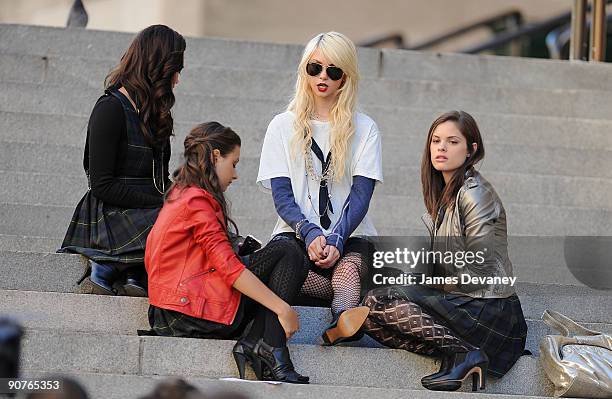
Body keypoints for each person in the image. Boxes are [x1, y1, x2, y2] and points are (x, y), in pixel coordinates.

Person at [361, 111, 528, 392]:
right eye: (436, 141)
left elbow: (480, 266)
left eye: (452, 142)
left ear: (471, 150)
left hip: (489, 309)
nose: (441, 147)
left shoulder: (475, 193)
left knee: (379, 300)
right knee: (368, 317)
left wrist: (424, 283)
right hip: (464, 301)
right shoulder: (447, 194)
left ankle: (466, 354)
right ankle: (460, 352)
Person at [145, 122, 310, 384]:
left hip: (181, 304)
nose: (235, 175)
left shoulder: (183, 194)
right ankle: (270, 345)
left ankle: (262, 343)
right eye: (234, 164)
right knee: (287, 251)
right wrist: (282, 308)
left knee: (292, 252)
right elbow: (229, 269)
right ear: (215, 156)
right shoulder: (195, 201)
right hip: (185, 313)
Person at [257, 32, 383, 346]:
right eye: (315, 68)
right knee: (293, 265)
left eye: (333, 71)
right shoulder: (282, 125)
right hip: (295, 234)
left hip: (351, 235)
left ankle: (342, 319)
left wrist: (337, 237)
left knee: (348, 270)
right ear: (305, 71)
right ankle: (348, 309)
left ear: (346, 78)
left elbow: (361, 195)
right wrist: (311, 232)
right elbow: (282, 196)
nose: (322, 77)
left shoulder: (365, 128)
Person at [58, 25, 185, 297]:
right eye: (176, 70)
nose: (177, 80)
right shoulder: (110, 108)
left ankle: (128, 271)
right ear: (157, 67)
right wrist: (162, 204)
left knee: (194, 213)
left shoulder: (157, 114)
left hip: (147, 211)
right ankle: (114, 266)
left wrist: (183, 194)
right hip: (109, 212)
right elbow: (102, 185)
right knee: (178, 220)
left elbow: (159, 180)